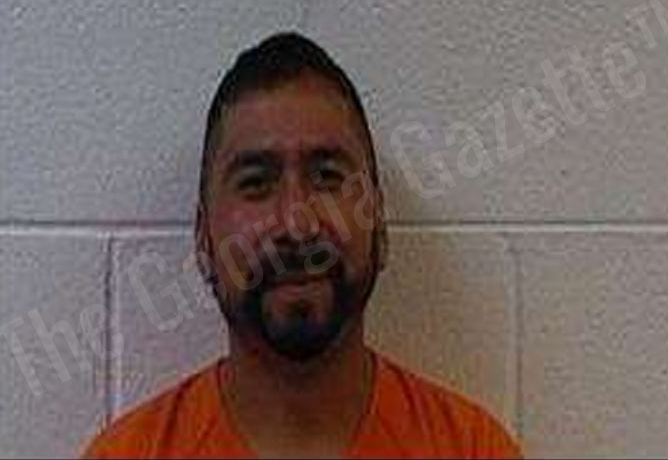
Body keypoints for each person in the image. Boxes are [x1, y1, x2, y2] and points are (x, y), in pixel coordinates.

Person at [83, 32, 521, 459]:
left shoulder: (473, 449)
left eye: (328, 177)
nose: (297, 222)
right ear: (203, 238)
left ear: (379, 223)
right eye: (256, 183)